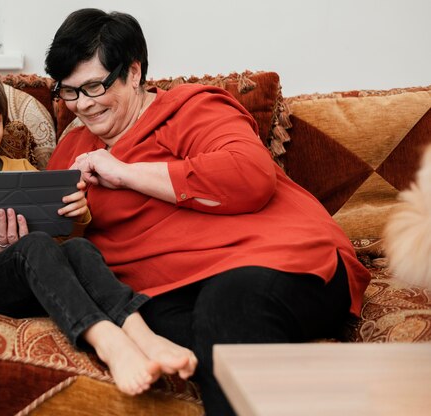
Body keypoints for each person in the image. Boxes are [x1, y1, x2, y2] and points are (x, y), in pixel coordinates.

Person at [44, 8, 372, 415]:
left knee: (228, 306)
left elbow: (249, 177)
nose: (81, 105)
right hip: (167, 292)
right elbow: (64, 250)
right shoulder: (70, 154)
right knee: (154, 327)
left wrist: (127, 173)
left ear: (133, 72)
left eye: (93, 87)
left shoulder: (191, 109)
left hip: (285, 263)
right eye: (68, 91)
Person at [0, 61, 197, 396]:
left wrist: (75, 214)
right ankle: (107, 341)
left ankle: (143, 336)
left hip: (39, 282)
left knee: (78, 248)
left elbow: (62, 235)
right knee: (36, 246)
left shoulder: (22, 170)